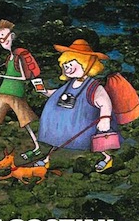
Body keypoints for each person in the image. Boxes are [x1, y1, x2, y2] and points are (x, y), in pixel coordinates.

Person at [37, 38, 120, 173]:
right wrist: (45, 92)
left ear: (87, 64)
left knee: (96, 143)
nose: (67, 68)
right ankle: (47, 159)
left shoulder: (94, 86)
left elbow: (104, 102)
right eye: (65, 65)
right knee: (58, 139)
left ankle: (107, 158)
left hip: (86, 121)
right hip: (67, 123)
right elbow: (58, 94)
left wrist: (105, 119)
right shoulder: (70, 83)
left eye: (71, 64)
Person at [0, 20, 41, 161]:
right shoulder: (9, 57)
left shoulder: (18, 56)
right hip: (5, 90)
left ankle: (36, 146)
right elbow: (6, 72)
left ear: (11, 36)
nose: (1, 40)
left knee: (25, 120)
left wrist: (0, 76)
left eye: (3, 35)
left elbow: (23, 77)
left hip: (15, 92)